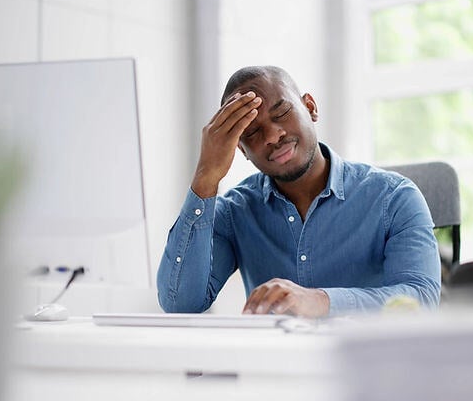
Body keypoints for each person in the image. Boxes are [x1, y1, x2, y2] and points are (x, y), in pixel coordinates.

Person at [157, 66, 440, 318]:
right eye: (252, 133)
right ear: (240, 149)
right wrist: (206, 176)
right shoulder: (236, 211)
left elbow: (421, 300)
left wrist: (320, 301)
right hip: (277, 372)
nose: (272, 136)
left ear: (310, 107)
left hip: (368, 371)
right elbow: (180, 303)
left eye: (282, 113)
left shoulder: (395, 197)